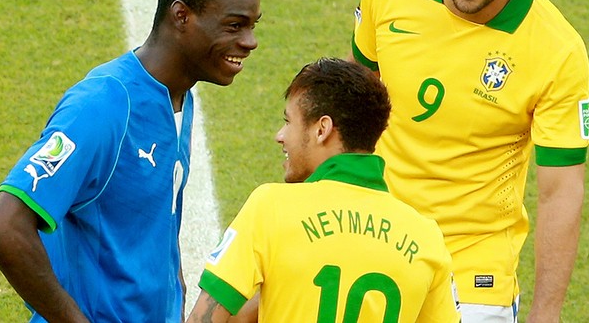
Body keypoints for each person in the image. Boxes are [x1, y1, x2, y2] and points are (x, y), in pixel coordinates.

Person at [350, 0, 589, 323]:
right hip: (372, 234)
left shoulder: (557, 50)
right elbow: (353, 103)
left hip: (475, 269)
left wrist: (547, 311)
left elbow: (562, 190)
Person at [0, 0, 261, 322]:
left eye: (253, 26)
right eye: (235, 26)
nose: (250, 42)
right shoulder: (104, 104)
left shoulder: (180, 94)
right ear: (182, 16)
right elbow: (6, 224)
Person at [186, 58, 460, 323]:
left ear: (322, 129)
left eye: (289, 121)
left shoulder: (270, 208)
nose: (280, 135)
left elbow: (204, 319)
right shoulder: (426, 238)